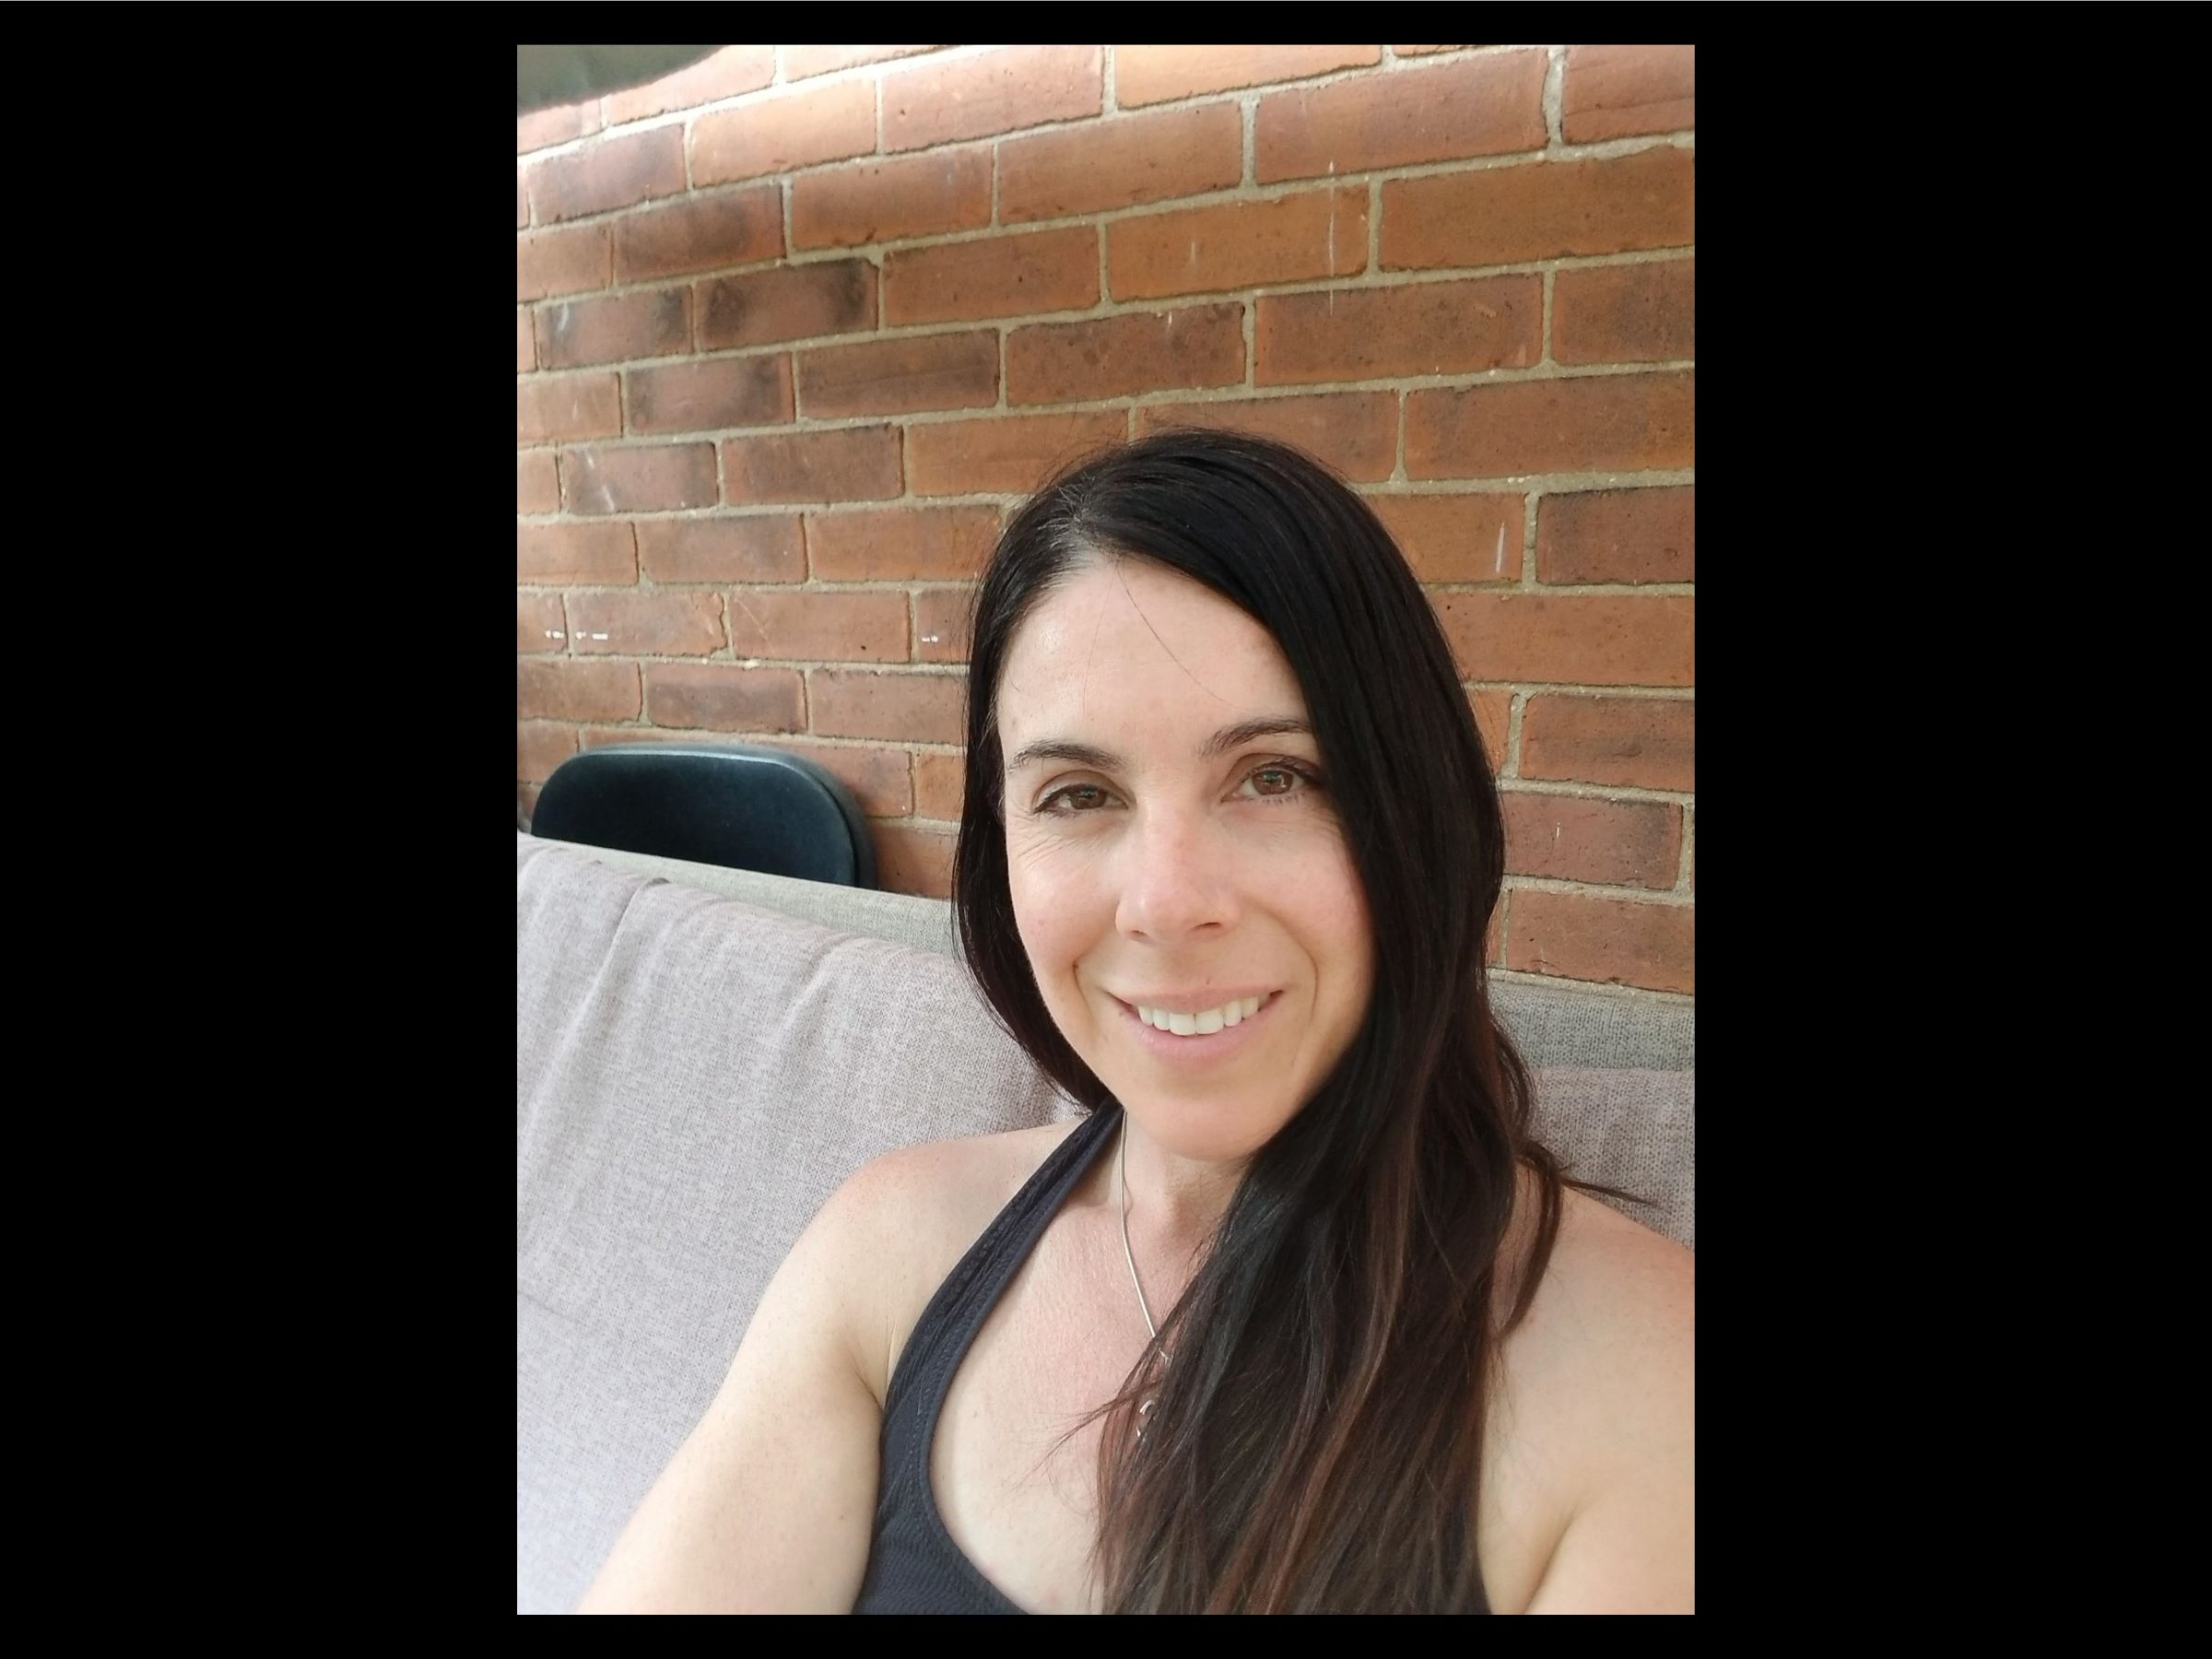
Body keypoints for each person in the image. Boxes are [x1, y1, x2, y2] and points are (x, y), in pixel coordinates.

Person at [575, 429, 1693, 1615]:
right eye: (1081, 795)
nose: (1165, 904)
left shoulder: (1636, 1372)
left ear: (1416, 809)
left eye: (1275, 777)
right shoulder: (893, 1254)